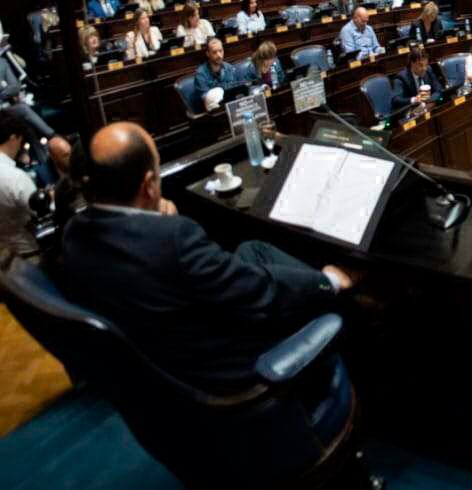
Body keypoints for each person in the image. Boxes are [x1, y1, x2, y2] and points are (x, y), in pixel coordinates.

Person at [58, 122, 352, 392]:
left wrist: (150, 218)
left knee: (253, 249)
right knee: (330, 296)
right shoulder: (172, 240)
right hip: (235, 375)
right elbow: (260, 293)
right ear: (148, 185)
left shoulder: (75, 235)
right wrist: (326, 280)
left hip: (167, 359)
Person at [0, 117, 41, 259]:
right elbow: (39, 212)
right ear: (13, 138)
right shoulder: (15, 178)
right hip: (26, 252)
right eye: (20, 139)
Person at [192, 38, 235, 110]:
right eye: (214, 52)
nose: (219, 55)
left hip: (229, 106)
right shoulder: (200, 74)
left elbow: (234, 90)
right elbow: (206, 100)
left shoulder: (229, 68)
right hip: (213, 111)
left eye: (221, 51)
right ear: (208, 54)